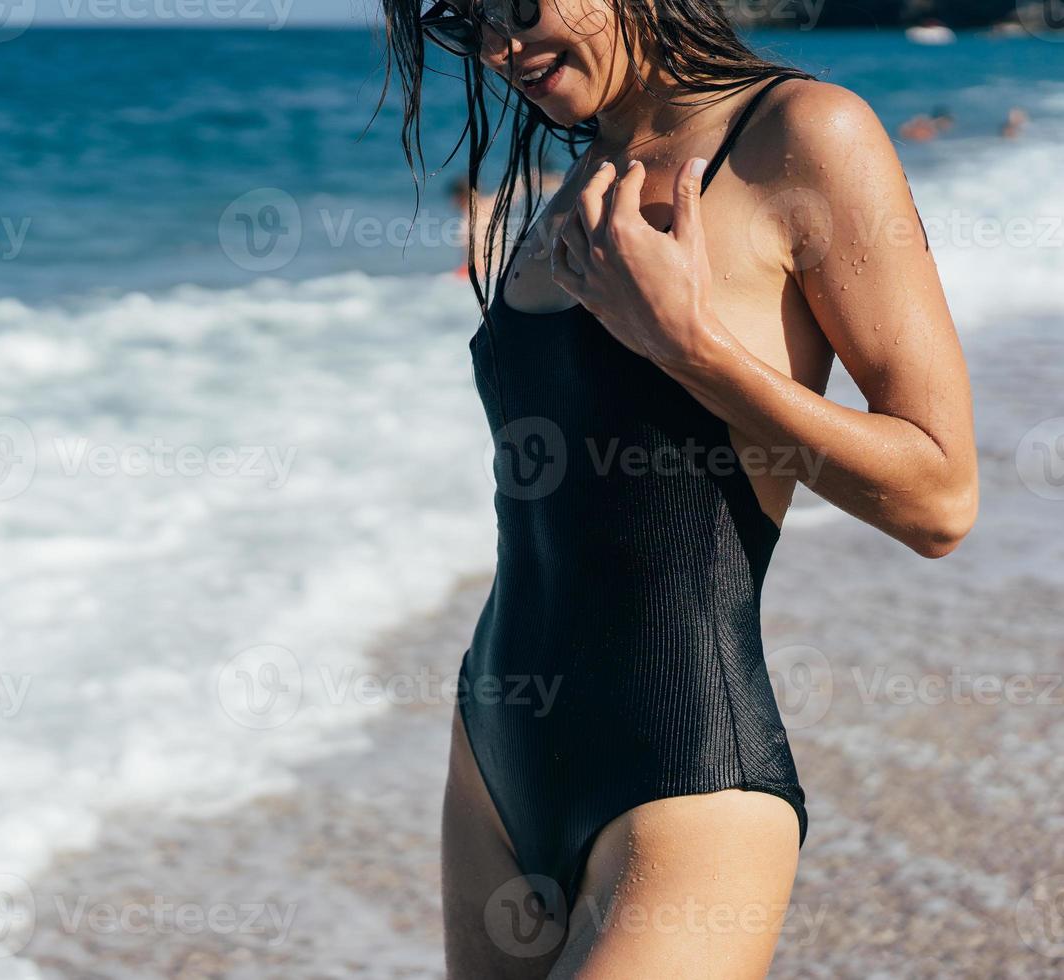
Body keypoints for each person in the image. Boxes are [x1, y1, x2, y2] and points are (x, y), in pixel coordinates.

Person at [384, 0, 978, 975]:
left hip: (684, 773)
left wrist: (693, 346)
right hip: (494, 755)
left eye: (521, 7)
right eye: (468, 21)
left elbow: (942, 497)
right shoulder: (577, 179)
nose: (501, 46)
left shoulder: (801, 135)